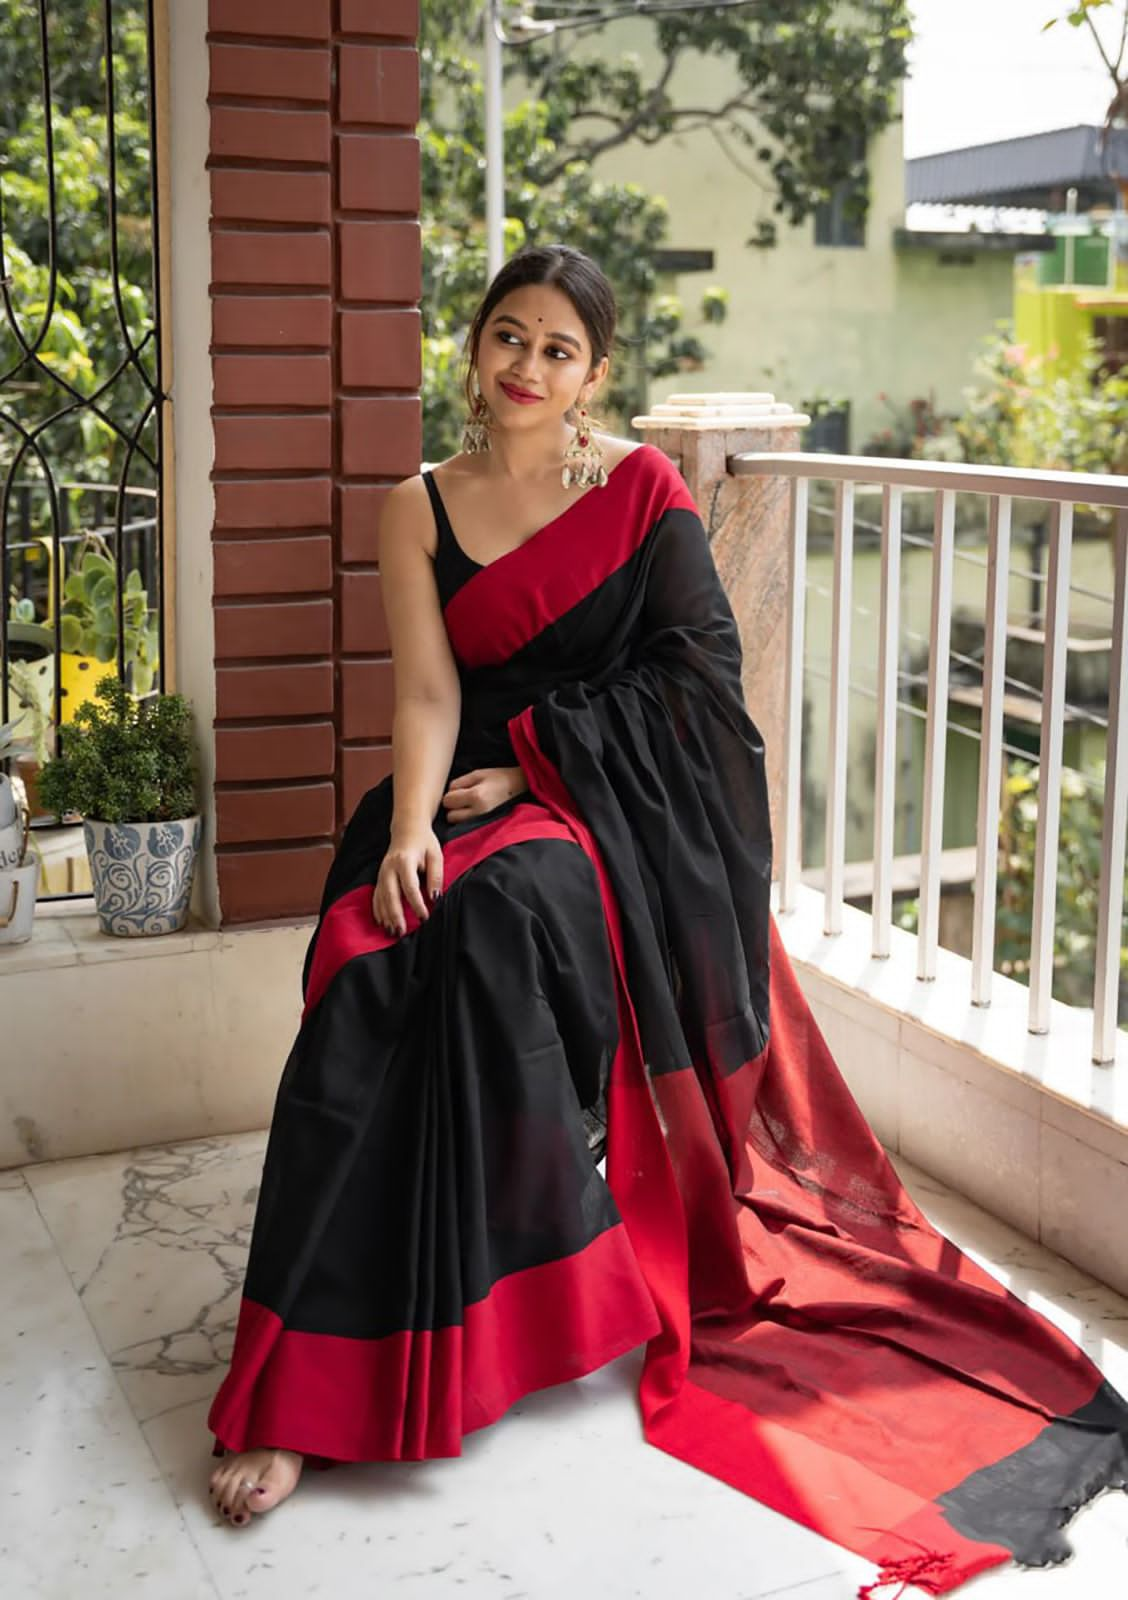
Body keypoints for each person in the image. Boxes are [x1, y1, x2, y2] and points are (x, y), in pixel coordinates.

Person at [207, 245, 1128, 1593]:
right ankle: (308, 1378)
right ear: (474, 346)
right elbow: (421, 694)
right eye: (506, 336)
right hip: (449, 799)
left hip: (602, 822)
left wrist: (543, 764)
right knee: (370, 951)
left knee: (500, 922)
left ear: (596, 373)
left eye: (557, 349)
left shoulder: (636, 490)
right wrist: (407, 830)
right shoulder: (416, 504)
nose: (525, 366)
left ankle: (482, 1316)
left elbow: (703, 681)